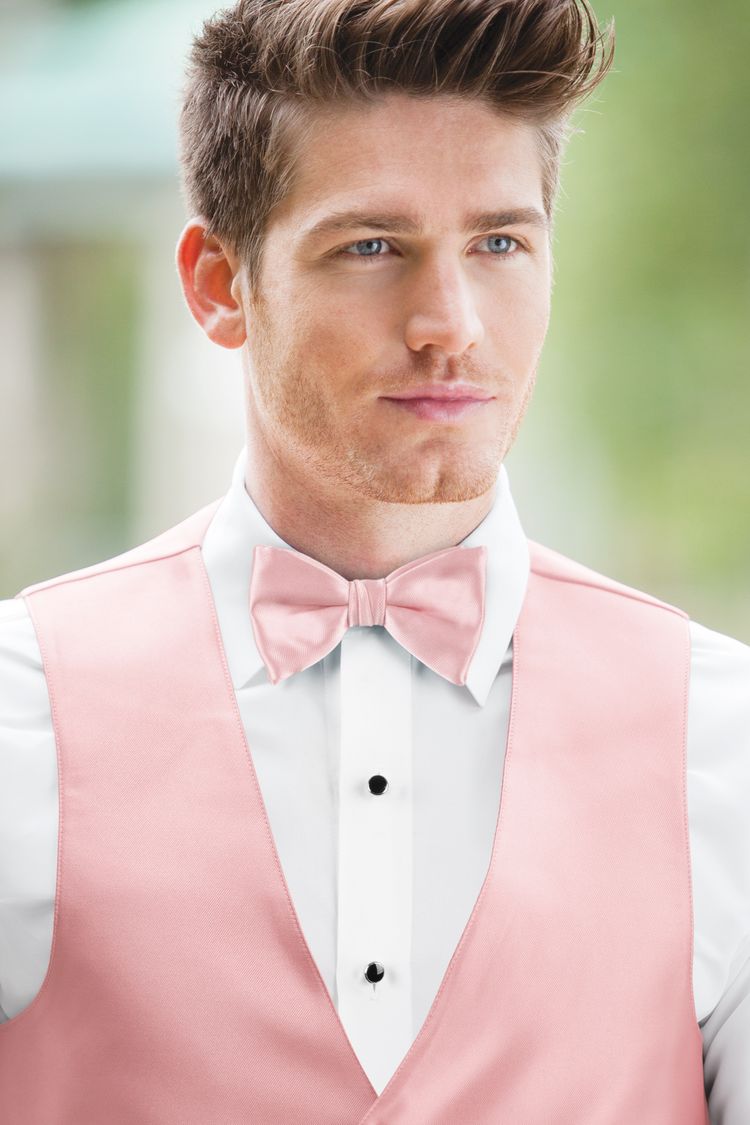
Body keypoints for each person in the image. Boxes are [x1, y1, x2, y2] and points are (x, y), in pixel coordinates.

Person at [0, 0, 747, 1120]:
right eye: (372, 247)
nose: (449, 321)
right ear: (218, 284)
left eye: (499, 242)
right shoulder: (20, 722)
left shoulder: (723, 741)